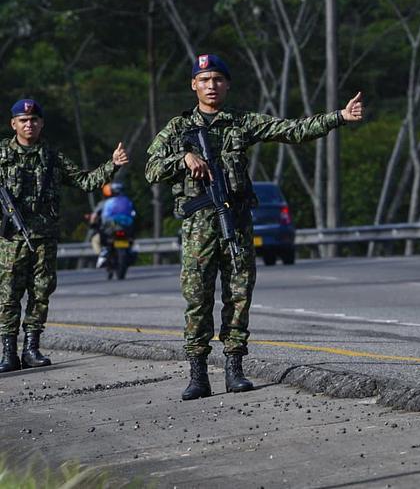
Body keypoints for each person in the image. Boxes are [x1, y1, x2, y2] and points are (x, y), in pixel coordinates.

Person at [145, 54, 363, 400]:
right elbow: (151, 170)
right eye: (204, 80)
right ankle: (198, 373)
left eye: (217, 79)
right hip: (198, 229)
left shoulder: (241, 122)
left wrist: (338, 117)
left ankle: (235, 368)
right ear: (193, 85)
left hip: (236, 223)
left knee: (239, 295)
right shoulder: (177, 128)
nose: (211, 86)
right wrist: (183, 159)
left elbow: (291, 130)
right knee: (197, 299)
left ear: (227, 84)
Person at [0, 99, 129, 372]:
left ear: (41, 123)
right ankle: (7, 352)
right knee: (8, 295)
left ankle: (31, 349)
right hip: (9, 239)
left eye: (34, 119)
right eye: (23, 120)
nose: (29, 124)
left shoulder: (52, 157)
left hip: (44, 238)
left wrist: (112, 165)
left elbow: (85, 181)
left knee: (41, 293)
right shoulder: (2, 154)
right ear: (13, 124)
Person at [96, 181, 136, 268]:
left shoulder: (108, 202)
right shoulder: (127, 201)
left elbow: (104, 217)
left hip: (113, 227)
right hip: (126, 226)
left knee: (103, 238)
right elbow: (133, 214)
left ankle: (103, 256)